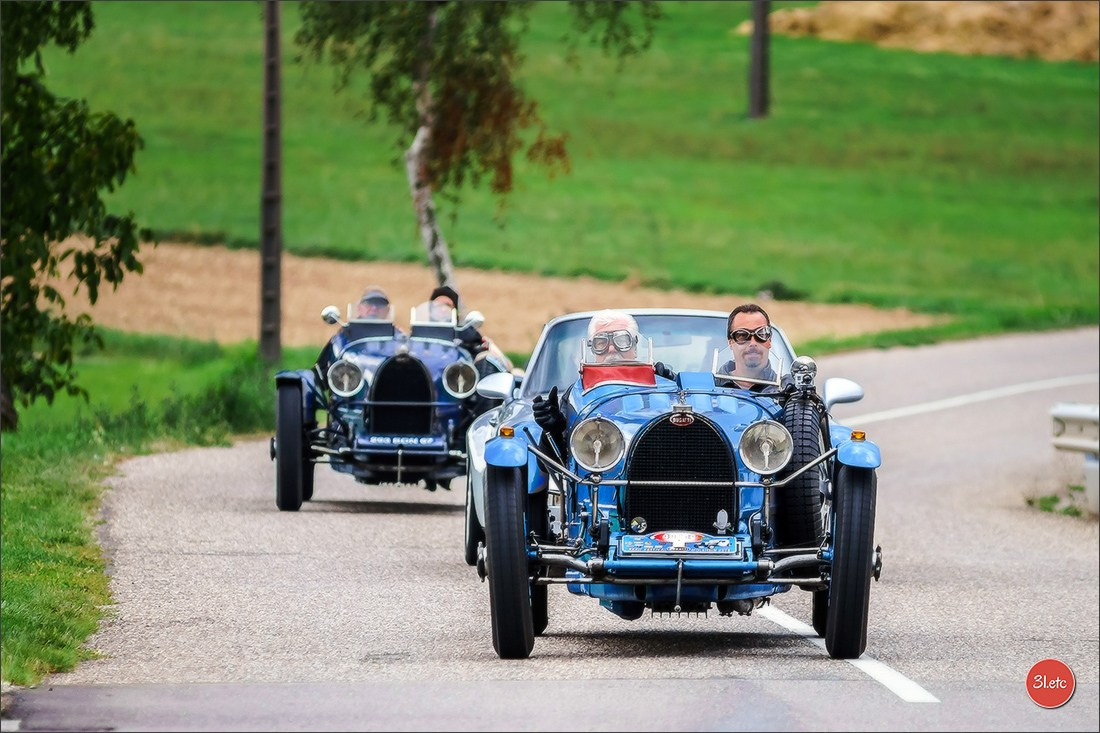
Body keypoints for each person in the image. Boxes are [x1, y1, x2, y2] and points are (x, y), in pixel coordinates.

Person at [533, 309, 643, 458]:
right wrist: (553, 431)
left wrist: (671, 381)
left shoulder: (663, 388)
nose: (611, 349)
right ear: (592, 350)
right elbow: (555, 468)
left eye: (622, 340)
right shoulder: (578, 394)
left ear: (634, 346)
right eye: (601, 342)